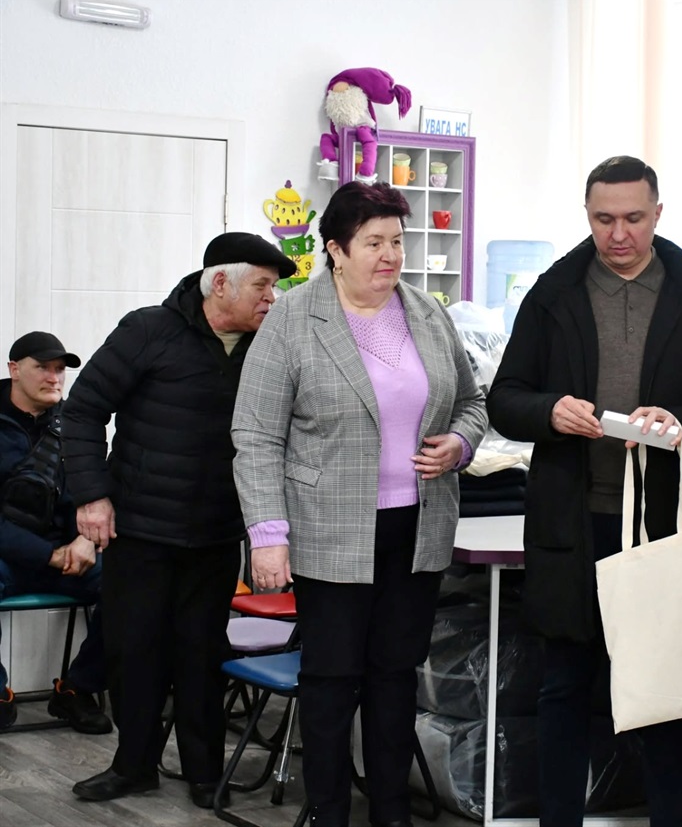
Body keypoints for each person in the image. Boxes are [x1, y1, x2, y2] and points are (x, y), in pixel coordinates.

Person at [486, 155, 682, 827]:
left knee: (667, 690)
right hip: (571, 522)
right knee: (565, 687)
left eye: (634, 218)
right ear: (587, 215)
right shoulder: (553, 294)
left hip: (661, 525)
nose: (619, 234)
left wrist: (679, 420)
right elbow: (505, 398)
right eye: (603, 219)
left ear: (658, 214)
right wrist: (550, 411)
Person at [232, 181, 488, 827]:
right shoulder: (294, 318)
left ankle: (391, 812)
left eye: (397, 241)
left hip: (417, 525)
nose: (390, 255)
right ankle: (328, 812)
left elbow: (472, 401)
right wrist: (268, 535)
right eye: (373, 242)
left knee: (395, 675)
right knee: (331, 678)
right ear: (336, 250)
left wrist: (460, 442)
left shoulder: (426, 313)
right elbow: (256, 433)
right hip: (329, 528)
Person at [63, 234, 296, 807]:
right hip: (140, 530)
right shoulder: (148, 330)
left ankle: (204, 772)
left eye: (274, 287)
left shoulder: (268, 348)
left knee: (203, 655)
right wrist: (92, 496)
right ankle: (134, 766)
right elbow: (84, 410)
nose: (271, 298)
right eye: (262, 286)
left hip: (216, 532)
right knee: (134, 652)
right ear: (220, 283)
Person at [0, 332, 110, 734]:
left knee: (132, 585)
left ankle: (77, 689)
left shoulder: (77, 426)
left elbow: (98, 495)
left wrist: (86, 540)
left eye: (60, 369)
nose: (54, 377)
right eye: (42, 367)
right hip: (10, 556)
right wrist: (47, 555)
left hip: (69, 555)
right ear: (14, 370)